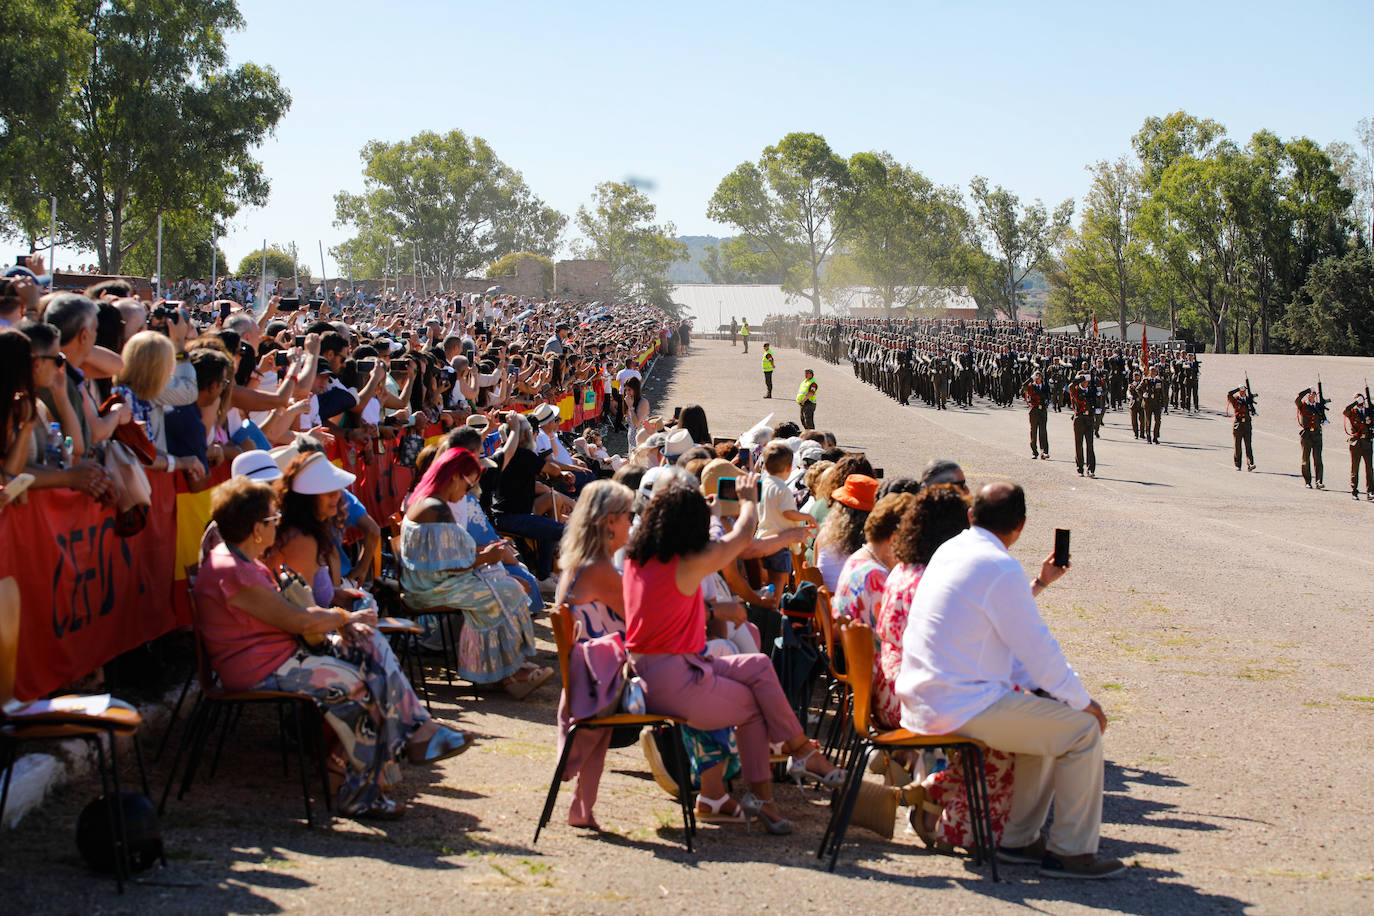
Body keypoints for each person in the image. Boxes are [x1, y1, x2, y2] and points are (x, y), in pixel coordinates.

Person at [195, 476, 470, 820]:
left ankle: (403, 739)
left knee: (366, 653)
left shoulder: (238, 560)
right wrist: (343, 619)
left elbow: (295, 617)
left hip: (277, 658)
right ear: (256, 529)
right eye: (272, 520)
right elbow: (298, 620)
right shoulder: (233, 570)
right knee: (359, 686)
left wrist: (342, 622)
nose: (277, 525)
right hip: (260, 668)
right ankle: (362, 788)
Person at [896, 482, 1122, 879]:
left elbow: (1017, 651)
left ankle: (1018, 840)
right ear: (1020, 526)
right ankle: (1070, 852)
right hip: (960, 705)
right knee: (1083, 730)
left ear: (971, 515)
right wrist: (1083, 701)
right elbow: (1036, 648)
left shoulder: (951, 550)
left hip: (927, 697)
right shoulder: (999, 566)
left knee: (1050, 720)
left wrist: (1058, 695)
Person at [623, 470, 844, 835]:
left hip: (663, 669)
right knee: (754, 704)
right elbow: (740, 539)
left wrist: (711, 520)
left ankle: (789, 763)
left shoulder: (639, 558)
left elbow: (719, 545)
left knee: (757, 666)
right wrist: (746, 503)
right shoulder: (686, 564)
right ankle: (774, 786)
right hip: (674, 679)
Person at [399, 447, 552, 698]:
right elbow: (449, 562)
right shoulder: (435, 508)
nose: (468, 492)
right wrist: (486, 556)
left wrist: (485, 554)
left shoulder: (433, 502)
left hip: (437, 581)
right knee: (505, 591)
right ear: (456, 477)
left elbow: (449, 557)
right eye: (469, 484)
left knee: (507, 585)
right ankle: (503, 674)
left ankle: (506, 669)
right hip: (430, 587)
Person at [552, 480, 638, 829]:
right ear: (609, 522)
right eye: (629, 516)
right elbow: (639, 619)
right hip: (602, 681)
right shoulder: (600, 570)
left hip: (591, 681)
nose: (633, 522)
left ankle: (582, 810)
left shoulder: (578, 563)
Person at [832, 492, 911, 630]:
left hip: (854, 649)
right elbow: (892, 633)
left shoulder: (856, 559)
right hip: (873, 650)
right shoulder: (875, 576)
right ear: (894, 539)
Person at [812, 473, 878, 594]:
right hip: (850, 607)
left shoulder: (824, 535)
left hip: (824, 606)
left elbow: (815, 569)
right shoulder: (872, 546)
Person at [1343, 392, 1373, 500]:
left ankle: (1370, 492)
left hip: (1367, 443)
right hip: (1356, 443)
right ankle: (1354, 491)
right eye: (1358, 400)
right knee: (1355, 468)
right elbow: (1345, 411)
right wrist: (1355, 401)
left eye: (1361, 400)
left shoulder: (1368, 411)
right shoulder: (1352, 412)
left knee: (1369, 468)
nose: (1360, 403)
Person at [1295, 387, 1325, 490]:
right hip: (1307, 435)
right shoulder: (1303, 405)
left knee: (1318, 459)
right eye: (1310, 394)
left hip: (1316, 434)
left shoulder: (1318, 406)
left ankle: (1319, 481)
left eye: (1313, 394)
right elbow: (1297, 399)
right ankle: (1307, 481)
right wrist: (1307, 390)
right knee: (1306, 459)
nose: (1312, 396)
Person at [1067, 374, 1096, 478]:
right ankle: (1080, 468)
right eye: (1083, 381)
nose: (1085, 383)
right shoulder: (1075, 390)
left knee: (1090, 445)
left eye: (1086, 381)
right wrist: (1080, 378)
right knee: (1079, 444)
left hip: (1089, 419)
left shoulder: (1091, 390)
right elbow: (1070, 386)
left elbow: (1095, 402)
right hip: (1079, 418)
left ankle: (1091, 469)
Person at [1227, 384, 1256, 472]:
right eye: (1242, 391)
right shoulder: (1236, 399)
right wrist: (1237, 388)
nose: (1244, 392)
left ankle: (1250, 464)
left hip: (1247, 424)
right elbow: (1229, 394)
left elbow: (1251, 409)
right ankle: (1238, 464)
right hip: (1238, 425)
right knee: (1237, 445)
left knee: (1248, 445)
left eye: (1244, 391)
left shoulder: (1249, 400)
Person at [1022, 369, 1050, 460]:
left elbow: (1048, 395)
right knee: (1033, 431)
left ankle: (1044, 451)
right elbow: (1023, 386)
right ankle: (1034, 451)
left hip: (1042, 410)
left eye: (1039, 376)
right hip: (1034, 410)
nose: (1038, 378)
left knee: (1043, 431)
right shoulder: (1031, 386)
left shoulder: (1045, 386)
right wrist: (1031, 378)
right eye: (1036, 376)